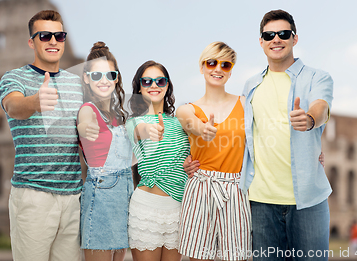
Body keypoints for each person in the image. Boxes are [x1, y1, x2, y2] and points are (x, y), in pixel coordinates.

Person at [240, 9, 334, 260]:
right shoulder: (250, 85)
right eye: (269, 35)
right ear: (261, 42)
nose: (276, 39)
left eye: (283, 33)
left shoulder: (317, 77)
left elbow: (321, 107)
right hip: (261, 201)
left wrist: (310, 119)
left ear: (294, 38)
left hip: (307, 200)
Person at [0, 10, 83, 261]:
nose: (53, 41)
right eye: (45, 35)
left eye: (59, 35)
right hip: (33, 196)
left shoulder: (77, 84)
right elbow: (13, 106)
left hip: (73, 197)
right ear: (31, 42)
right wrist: (35, 102)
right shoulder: (13, 78)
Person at [177, 42, 251, 261]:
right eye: (211, 62)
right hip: (201, 188)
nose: (218, 69)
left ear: (230, 72)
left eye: (225, 65)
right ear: (202, 67)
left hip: (236, 189)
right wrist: (204, 130)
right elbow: (192, 125)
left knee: (237, 257)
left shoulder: (246, 104)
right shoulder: (187, 109)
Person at [126, 60, 190, 261]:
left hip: (178, 210)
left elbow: (188, 158)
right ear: (139, 87)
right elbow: (140, 132)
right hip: (147, 209)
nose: (154, 85)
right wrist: (151, 131)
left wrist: (189, 166)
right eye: (147, 81)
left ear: (167, 85)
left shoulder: (181, 122)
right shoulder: (134, 122)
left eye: (160, 81)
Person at [78, 42, 133, 261]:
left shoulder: (120, 116)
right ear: (86, 78)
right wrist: (84, 128)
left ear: (116, 78)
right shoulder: (87, 110)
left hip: (125, 197)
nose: (103, 80)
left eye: (109, 74)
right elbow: (84, 123)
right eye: (96, 75)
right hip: (101, 198)